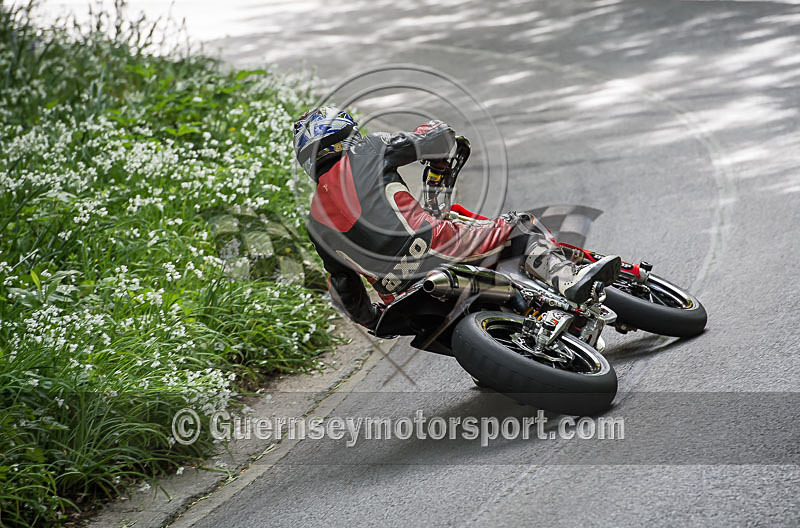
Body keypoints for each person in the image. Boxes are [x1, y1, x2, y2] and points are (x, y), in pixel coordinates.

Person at [293, 106, 621, 329]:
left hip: (398, 293)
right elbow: (433, 139)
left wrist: (373, 320)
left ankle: (505, 346)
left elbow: (343, 286)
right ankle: (569, 281)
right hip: (436, 245)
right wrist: (439, 135)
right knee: (519, 226)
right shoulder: (369, 148)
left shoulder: (314, 223)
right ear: (346, 132)